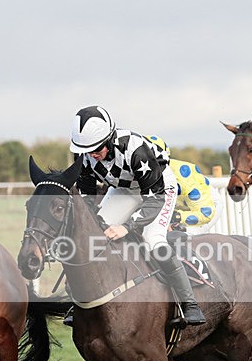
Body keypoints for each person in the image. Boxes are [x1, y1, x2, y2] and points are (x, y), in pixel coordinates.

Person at [70, 105, 206, 326]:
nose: (92, 155)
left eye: (97, 149)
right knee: (95, 235)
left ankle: (190, 304)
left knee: (153, 240)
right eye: (87, 150)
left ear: (109, 139)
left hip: (159, 189)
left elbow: (155, 197)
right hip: (124, 188)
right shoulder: (85, 153)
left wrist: (128, 227)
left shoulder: (136, 150)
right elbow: (87, 196)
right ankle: (81, 302)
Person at [144, 136, 223, 235]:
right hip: (176, 205)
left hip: (204, 209)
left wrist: (174, 217)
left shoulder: (185, 178)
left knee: (177, 238)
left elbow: (206, 214)